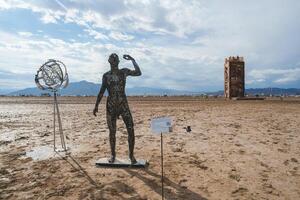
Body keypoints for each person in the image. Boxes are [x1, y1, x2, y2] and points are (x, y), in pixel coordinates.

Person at [93, 53, 142, 164]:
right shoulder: (106, 76)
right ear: (109, 61)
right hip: (111, 106)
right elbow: (101, 91)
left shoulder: (123, 72)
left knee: (131, 129)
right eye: (112, 59)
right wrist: (96, 105)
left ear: (118, 62)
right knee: (112, 132)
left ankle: (131, 155)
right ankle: (113, 155)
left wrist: (133, 60)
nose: (114, 61)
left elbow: (138, 73)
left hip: (123, 104)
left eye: (116, 60)